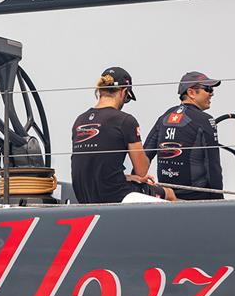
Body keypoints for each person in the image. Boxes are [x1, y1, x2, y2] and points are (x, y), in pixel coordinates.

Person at [71, 67, 175, 204]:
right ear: (123, 92)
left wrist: (128, 177)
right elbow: (142, 171)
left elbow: (93, 168)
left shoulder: (79, 120)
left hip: (85, 196)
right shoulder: (125, 121)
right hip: (115, 195)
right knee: (170, 193)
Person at [144, 71, 223, 200]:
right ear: (191, 92)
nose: (212, 93)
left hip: (166, 197)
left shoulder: (165, 116)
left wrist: (136, 187)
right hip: (195, 199)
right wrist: (220, 203)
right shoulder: (206, 120)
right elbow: (213, 167)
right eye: (208, 89)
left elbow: (144, 155)